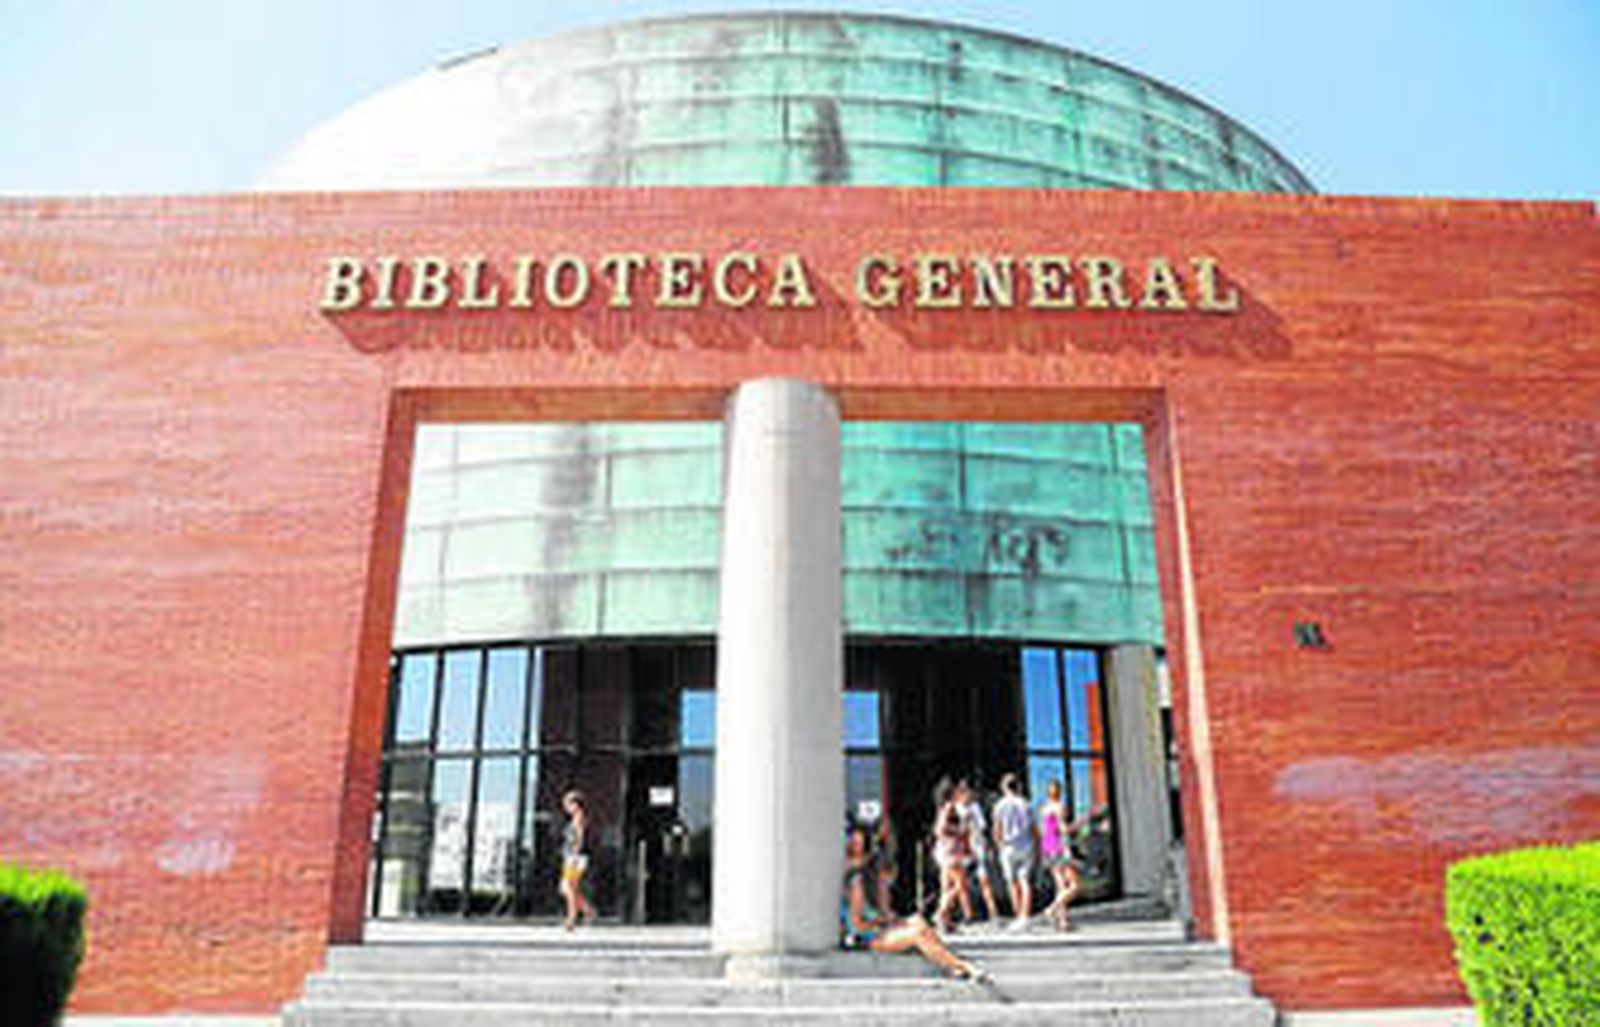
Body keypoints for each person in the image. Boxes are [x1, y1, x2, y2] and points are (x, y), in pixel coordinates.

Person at [841, 824, 989, 982]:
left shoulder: (869, 881)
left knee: (918, 921)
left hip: (880, 929)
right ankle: (963, 966)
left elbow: (882, 909)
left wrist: (890, 917)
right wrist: (883, 921)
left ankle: (951, 963)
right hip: (868, 938)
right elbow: (858, 925)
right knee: (917, 934)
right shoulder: (856, 884)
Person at [1037, 780, 1096, 931]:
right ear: (1060, 792)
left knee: (1061, 886)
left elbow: (1045, 831)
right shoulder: (1059, 807)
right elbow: (1064, 830)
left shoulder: (1044, 809)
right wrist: (1083, 821)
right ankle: (1052, 909)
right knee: (1074, 886)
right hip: (1060, 847)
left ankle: (1063, 921)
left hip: (1048, 847)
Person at [990, 772, 1035, 930]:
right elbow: (1033, 828)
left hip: (1008, 847)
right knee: (1025, 881)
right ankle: (1026, 916)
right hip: (1026, 845)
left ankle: (1018, 917)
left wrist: (998, 846)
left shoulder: (999, 806)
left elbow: (997, 829)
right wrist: (1037, 846)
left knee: (1012, 882)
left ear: (1004, 787)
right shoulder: (1026, 804)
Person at [930, 778, 972, 931]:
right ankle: (940, 913)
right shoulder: (949, 807)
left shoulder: (943, 807)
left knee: (946, 887)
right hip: (951, 851)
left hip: (945, 850)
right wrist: (960, 831)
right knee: (960, 884)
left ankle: (945, 921)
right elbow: (940, 828)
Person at [955, 779, 999, 923]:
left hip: (977, 847)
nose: (968, 795)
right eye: (965, 792)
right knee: (960, 883)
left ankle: (993, 912)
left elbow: (982, 828)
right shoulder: (955, 808)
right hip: (961, 849)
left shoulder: (975, 808)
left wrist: (988, 847)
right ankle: (967, 913)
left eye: (969, 792)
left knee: (984, 881)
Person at [558, 789, 597, 930]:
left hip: (576, 857)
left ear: (576, 804)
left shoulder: (579, 818)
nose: (566, 807)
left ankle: (572, 919)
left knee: (570, 888)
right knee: (568, 888)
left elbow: (580, 838)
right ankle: (588, 911)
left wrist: (574, 854)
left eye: (568, 804)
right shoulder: (575, 818)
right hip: (572, 856)